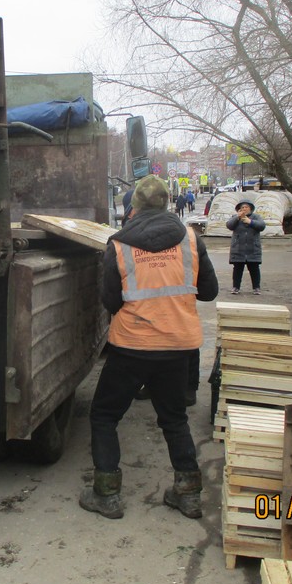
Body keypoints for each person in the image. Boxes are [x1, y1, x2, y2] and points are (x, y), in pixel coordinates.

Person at [79, 175, 219, 520]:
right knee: (174, 419)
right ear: (168, 203)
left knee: (104, 415)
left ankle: (107, 495)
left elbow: (110, 300)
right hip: (177, 346)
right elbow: (210, 291)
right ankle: (188, 494)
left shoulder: (119, 244)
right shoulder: (190, 239)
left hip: (133, 347)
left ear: (134, 207)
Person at [227, 198, 265, 295]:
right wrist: (237, 218)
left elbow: (262, 226)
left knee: (254, 269)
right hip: (238, 249)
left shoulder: (256, 217)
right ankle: (236, 287)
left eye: (246, 207)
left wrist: (250, 222)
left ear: (250, 208)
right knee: (237, 269)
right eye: (242, 207)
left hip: (253, 249)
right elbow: (229, 225)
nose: (244, 209)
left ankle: (256, 287)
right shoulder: (235, 217)